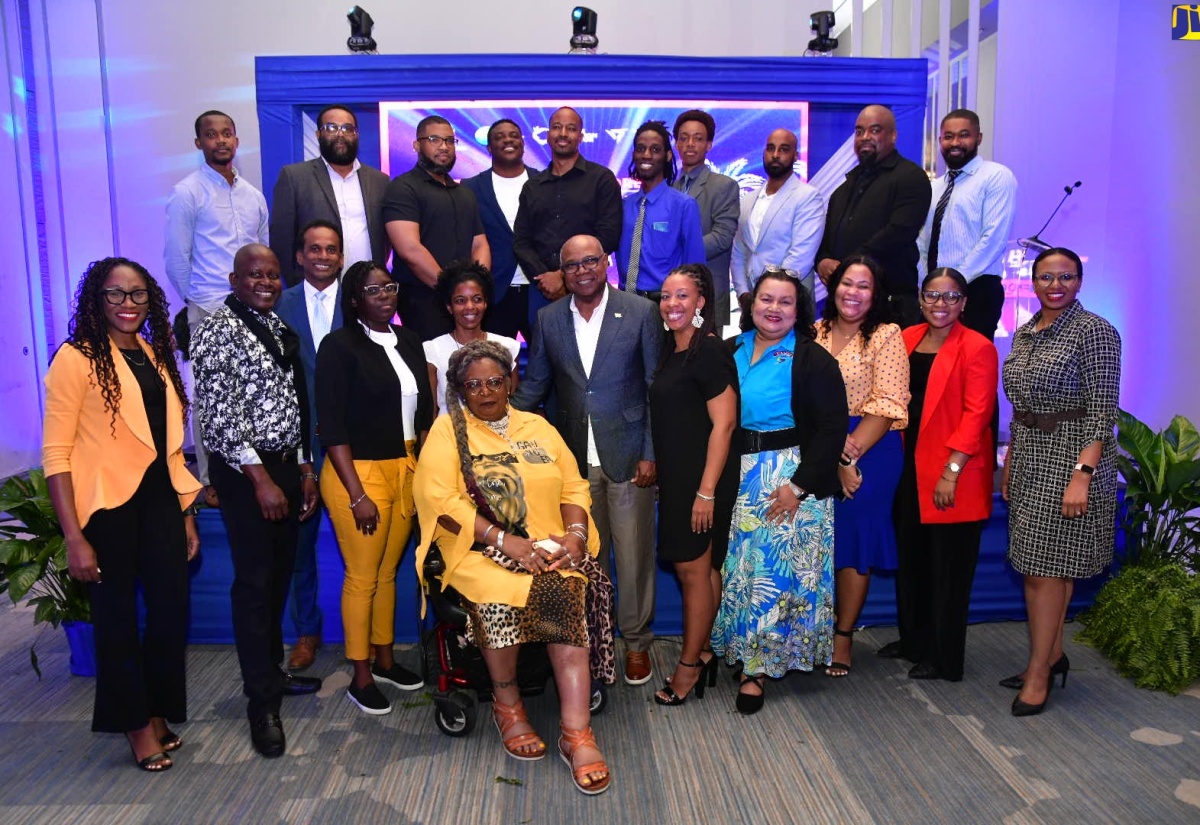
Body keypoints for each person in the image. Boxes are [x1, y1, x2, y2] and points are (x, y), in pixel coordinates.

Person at [414, 341, 612, 795]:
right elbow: (438, 502)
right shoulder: (448, 431)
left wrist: (575, 539)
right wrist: (505, 541)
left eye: (494, 381)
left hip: (549, 547)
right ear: (460, 390)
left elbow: (575, 486)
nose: (485, 391)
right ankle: (509, 707)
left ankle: (576, 733)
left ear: (511, 381)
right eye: (473, 384)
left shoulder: (537, 426)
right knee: (499, 597)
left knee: (564, 591)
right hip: (478, 553)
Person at [43, 258, 202, 772]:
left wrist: (185, 514)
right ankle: (135, 726)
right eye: (115, 294)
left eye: (136, 294)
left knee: (169, 617)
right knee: (116, 624)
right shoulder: (76, 358)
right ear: (97, 299)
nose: (127, 304)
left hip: (159, 504)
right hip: (107, 509)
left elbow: (170, 447)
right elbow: (57, 455)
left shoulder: (154, 355)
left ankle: (157, 710)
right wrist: (74, 538)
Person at [511, 234, 662, 687]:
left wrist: (651, 452)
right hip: (571, 464)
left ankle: (636, 644)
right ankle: (590, 641)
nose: (582, 271)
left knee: (633, 558)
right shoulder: (548, 318)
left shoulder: (640, 312)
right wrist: (493, 423)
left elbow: (656, 388)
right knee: (583, 561)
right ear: (563, 271)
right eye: (572, 264)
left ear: (606, 263)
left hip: (629, 455)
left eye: (590, 261)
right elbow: (535, 384)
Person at [191, 244, 322, 758]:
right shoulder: (216, 331)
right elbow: (219, 417)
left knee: (276, 579)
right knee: (253, 586)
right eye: (254, 274)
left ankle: (272, 676)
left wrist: (304, 468)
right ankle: (260, 704)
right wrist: (262, 480)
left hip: (286, 465)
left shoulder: (273, 324)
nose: (265, 281)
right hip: (249, 472)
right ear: (233, 278)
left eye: (272, 273)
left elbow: (294, 403)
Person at [713, 269, 847, 713]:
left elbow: (831, 431)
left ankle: (757, 670)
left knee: (777, 577)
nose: (774, 309)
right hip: (739, 471)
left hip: (788, 476)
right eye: (766, 299)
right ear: (751, 304)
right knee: (744, 570)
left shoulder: (814, 359)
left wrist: (799, 486)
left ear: (798, 310)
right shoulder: (731, 349)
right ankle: (738, 648)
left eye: (785, 302)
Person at [1001, 247, 1120, 716]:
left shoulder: (1095, 331)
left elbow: (1103, 409)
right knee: (1046, 562)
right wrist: (1009, 456)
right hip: (1030, 453)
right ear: (1033, 281)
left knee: (1045, 567)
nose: (1055, 285)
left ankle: (1038, 672)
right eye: (1046, 277)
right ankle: (1052, 654)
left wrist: (1083, 475)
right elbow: (1019, 403)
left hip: (1072, 456)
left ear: (1079, 281)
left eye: (1065, 276)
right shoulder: (1027, 331)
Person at [315, 260, 435, 714]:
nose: (385, 295)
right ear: (355, 300)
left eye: (389, 287)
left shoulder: (407, 340)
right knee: (362, 578)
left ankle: (385, 659)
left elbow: (423, 413)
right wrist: (357, 495)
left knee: (388, 573)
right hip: (357, 473)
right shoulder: (338, 347)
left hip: (403, 467)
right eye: (373, 290)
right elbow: (332, 426)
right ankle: (360, 673)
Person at [886, 268, 997, 682]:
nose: (941, 304)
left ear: (964, 303)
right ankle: (914, 641)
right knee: (911, 560)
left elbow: (976, 416)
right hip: (907, 468)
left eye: (951, 297)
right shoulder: (906, 338)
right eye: (933, 295)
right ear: (920, 298)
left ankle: (946, 657)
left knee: (948, 572)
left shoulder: (978, 347)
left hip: (953, 474)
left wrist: (951, 471)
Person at [165, 109, 269, 507]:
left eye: (227, 134)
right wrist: (200, 301)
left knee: (251, 392)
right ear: (199, 143)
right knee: (210, 397)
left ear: (236, 140)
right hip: (208, 308)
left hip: (253, 311)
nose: (221, 141)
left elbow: (262, 254)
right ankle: (211, 478)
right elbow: (177, 258)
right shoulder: (188, 192)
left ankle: (253, 467)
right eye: (211, 135)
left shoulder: (253, 196)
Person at [814, 255, 910, 676]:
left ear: (876, 294)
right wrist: (834, 455)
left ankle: (843, 636)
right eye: (846, 283)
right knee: (817, 539)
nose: (853, 293)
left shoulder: (887, 335)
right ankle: (812, 628)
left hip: (873, 444)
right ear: (833, 287)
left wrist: (847, 458)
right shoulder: (813, 332)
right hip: (821, 443)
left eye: (864, 286)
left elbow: (888, 402)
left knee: (856, 540)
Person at [647, 264, 738, 706]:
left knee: (693, 571)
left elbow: (724, 427)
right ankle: (702, 651)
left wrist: (706, 492)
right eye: (666, 296)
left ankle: (688, 667)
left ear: (701, 301)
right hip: (679, 476)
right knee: (700, 570)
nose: (672, 304)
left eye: (682, 296)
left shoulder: (709, 351)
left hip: (703, 478)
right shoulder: (671, 348)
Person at [274, 220, 345, 671]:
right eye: (313, 249)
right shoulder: (277, 304)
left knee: (365, 544)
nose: (322, 256)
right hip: (295, 444)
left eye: (331, 249)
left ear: (341, 256)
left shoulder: (361, 303)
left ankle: (373, 637)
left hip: (348, 446)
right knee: (299, 547)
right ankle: (306, 631)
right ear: (299, 256)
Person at [816, 105, 932, 327]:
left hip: (890, 307)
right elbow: (827, 237)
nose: (865, 137)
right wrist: (822, 261)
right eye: (859, 131)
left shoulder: (911, 177)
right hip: (843, 306)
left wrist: (846, 267)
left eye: (875, 130)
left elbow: (898, 233)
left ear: (893, 135)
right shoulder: (843, 188)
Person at [383, 114, 490, 341]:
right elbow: (409, 249)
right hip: (423, 300)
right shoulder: (403, 188)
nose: (444, 147)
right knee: (431, 369)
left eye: (450, 141)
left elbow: (479, 243)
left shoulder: (464, 193)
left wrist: (475, 288)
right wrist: (452, 291)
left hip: (463, 302)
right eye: (435, 139)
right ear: (416, 145)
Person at [916, 109, 1018, 342]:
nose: (955, 142)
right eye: (948, 136)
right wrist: (927, 286)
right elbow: (922, 240)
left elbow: (993, 239)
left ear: (978, 138)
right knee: (934, 369)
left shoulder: (996, 176)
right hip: (934, 296)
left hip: (977, 288)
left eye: (964, 135)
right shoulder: (934, 187)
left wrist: (952, 286)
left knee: (970, 369)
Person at [270, 104, 391, 284]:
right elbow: (282, 239)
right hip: (317, 288)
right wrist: (299, 283)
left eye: (347, 128)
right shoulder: (294, 177)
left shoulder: (379, 180)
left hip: (368, 289)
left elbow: (386, 239)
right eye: (331, 128)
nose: (340, 134)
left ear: (356, 135)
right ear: (318, 135)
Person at [512, 107, 622, 304]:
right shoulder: (532, 187)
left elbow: (609, 236)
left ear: (580, 136)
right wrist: (546, 277)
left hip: (589, 286)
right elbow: (522, 242)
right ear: (547, 135)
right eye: (556, 127)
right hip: (543, 291)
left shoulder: (601, 179)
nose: (563, 133)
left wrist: (564, 275)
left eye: (571, 129)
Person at [462, 119, 541, 340]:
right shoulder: (471, 187)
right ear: (489, 147)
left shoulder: (545, 181)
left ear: (523, 143)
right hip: (495, 292)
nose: (507, 139)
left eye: (514, 135)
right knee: (494, 363)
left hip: (539, 291)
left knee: (548, 366)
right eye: (499, 136)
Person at [730, 128, 825, 312]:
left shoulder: (807, 197)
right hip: (752, 307)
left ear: (795, 155)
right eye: (770, 148)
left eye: (783, 149)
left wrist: (769, 296)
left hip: (790, 305)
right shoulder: (748, 200)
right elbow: (739, 253)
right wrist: (743, 294)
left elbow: (800, 256)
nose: (775, 155)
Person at [616, 121, 705, 300]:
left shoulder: (684, 206)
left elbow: (696, 270)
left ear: (668, 156)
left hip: (664, 304)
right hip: (624, 302)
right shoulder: (624, 206)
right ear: (634, 154)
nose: (646, 155)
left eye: (655, 150)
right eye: (641, 149)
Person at [423, 260, 520, 416]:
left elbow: (513, 408)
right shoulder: (433, 349)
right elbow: (431, 412)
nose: (470, 307)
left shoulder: (507, 346)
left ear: (485, 303)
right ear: (449, 307)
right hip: (450, 436)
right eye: (460, 301)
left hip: (496, 437)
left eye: (477, 299)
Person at [672, 110, 741, 325]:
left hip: (706, 291)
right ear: (676, 143)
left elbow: (722, 237)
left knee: (707, 356)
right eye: (684, 138)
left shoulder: (724, 186)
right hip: (672, 294)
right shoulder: (667, 188)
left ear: (709, 144)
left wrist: (674, 252)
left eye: (698, 138)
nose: (690, 144)